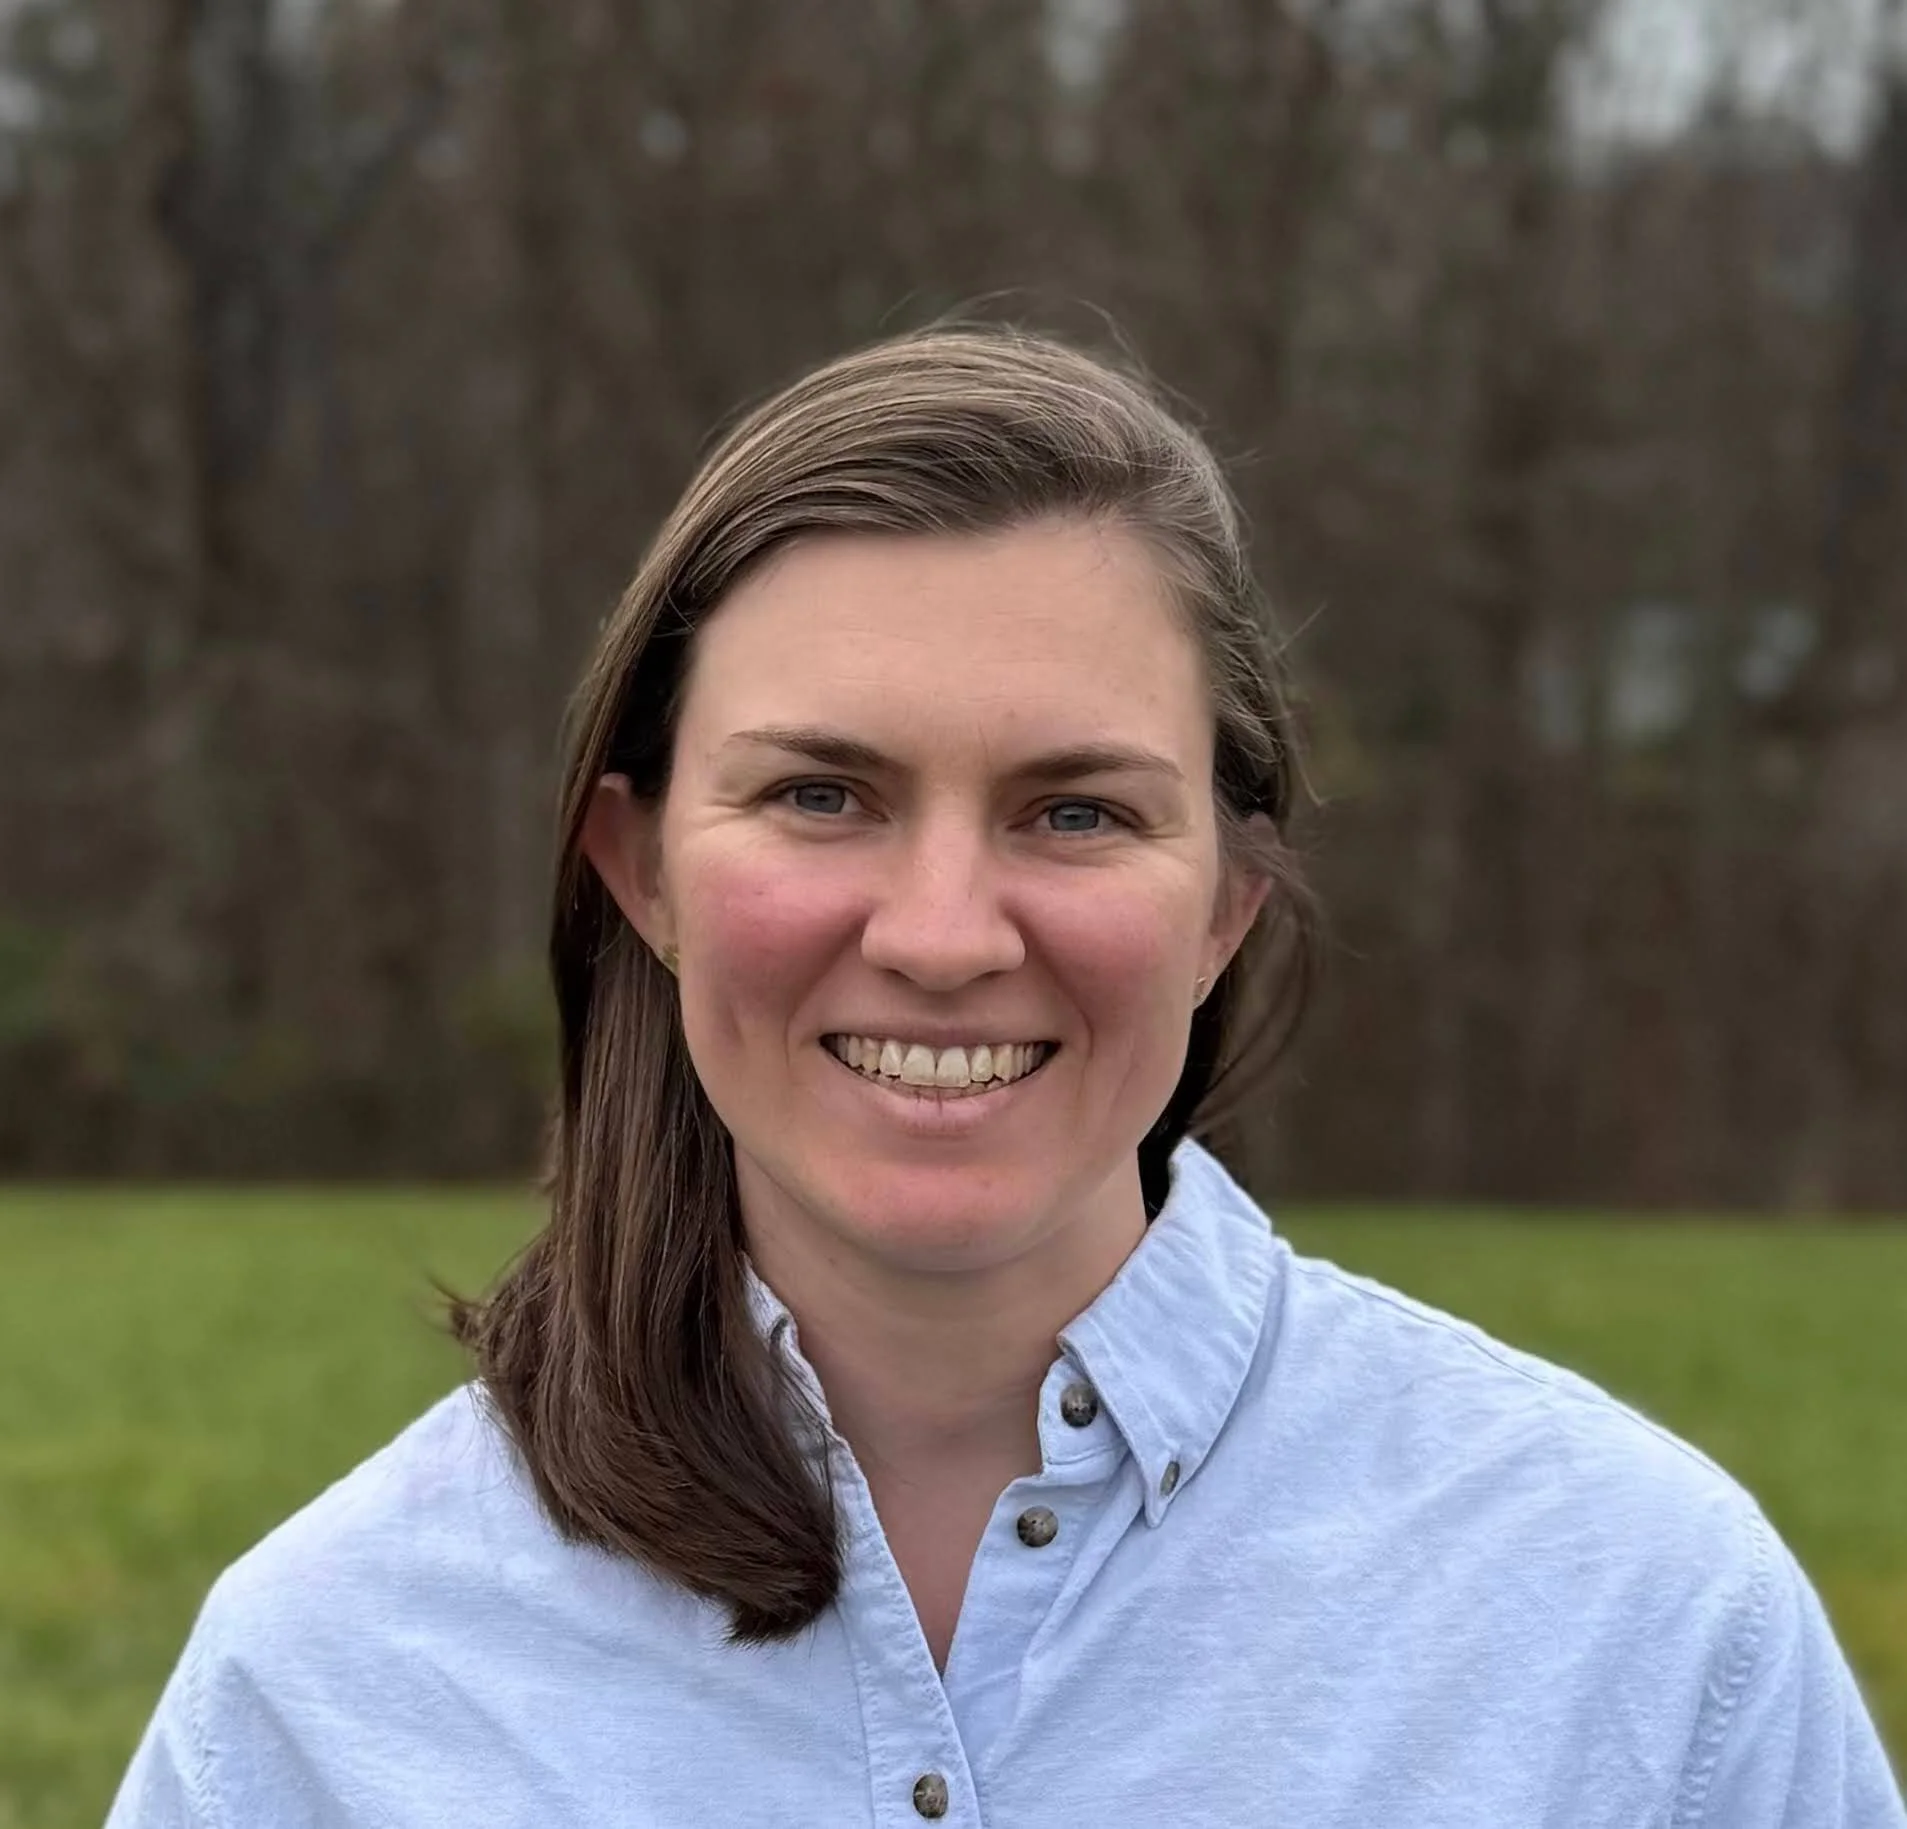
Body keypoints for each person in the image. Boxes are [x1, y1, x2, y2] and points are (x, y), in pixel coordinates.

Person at [107, 325, 1903, 1829]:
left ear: (1223, 907)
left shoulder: (1642, 1628)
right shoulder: (325, 1690)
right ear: (639, 873)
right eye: (821, 793)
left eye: (1075, 810)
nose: (947, 931)